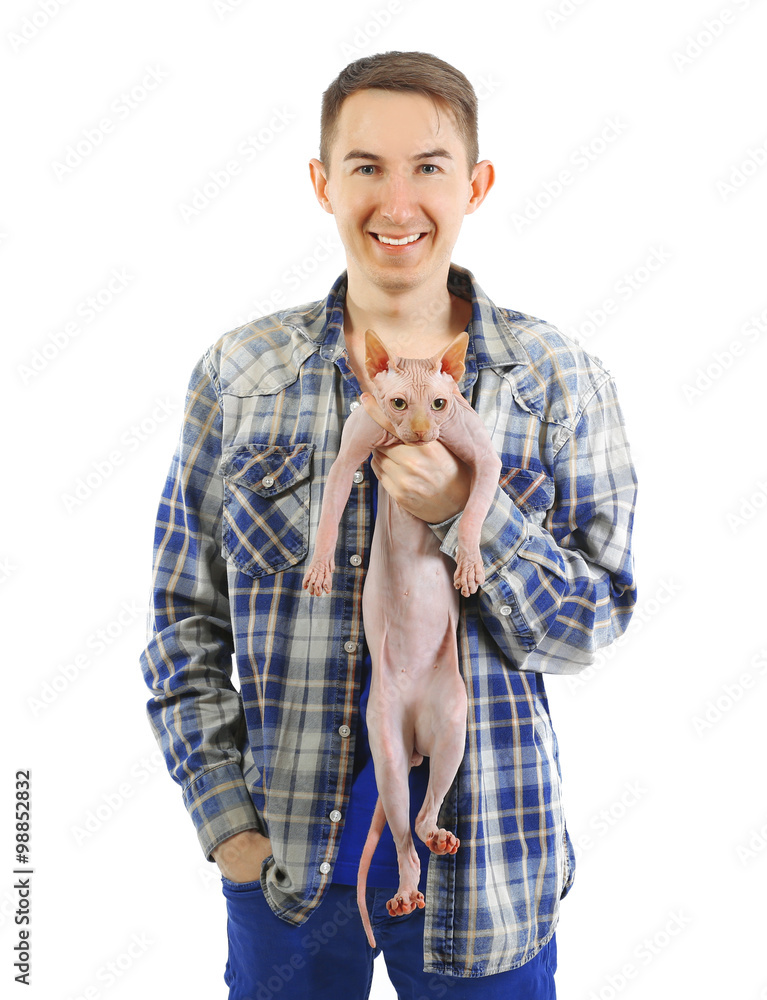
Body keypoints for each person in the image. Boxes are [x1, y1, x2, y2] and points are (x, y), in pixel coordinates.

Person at [140, 51, 637, 999]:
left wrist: (463, 517)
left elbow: (593, 621)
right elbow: (181, 619)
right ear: (323, 183)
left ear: (476, 185)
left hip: (491, 867)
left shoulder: (560, 380)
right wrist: (230, 830)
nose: (395, 200)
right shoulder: (240, 376)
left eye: (429, 166)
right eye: (365, 166)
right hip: (286, 871)